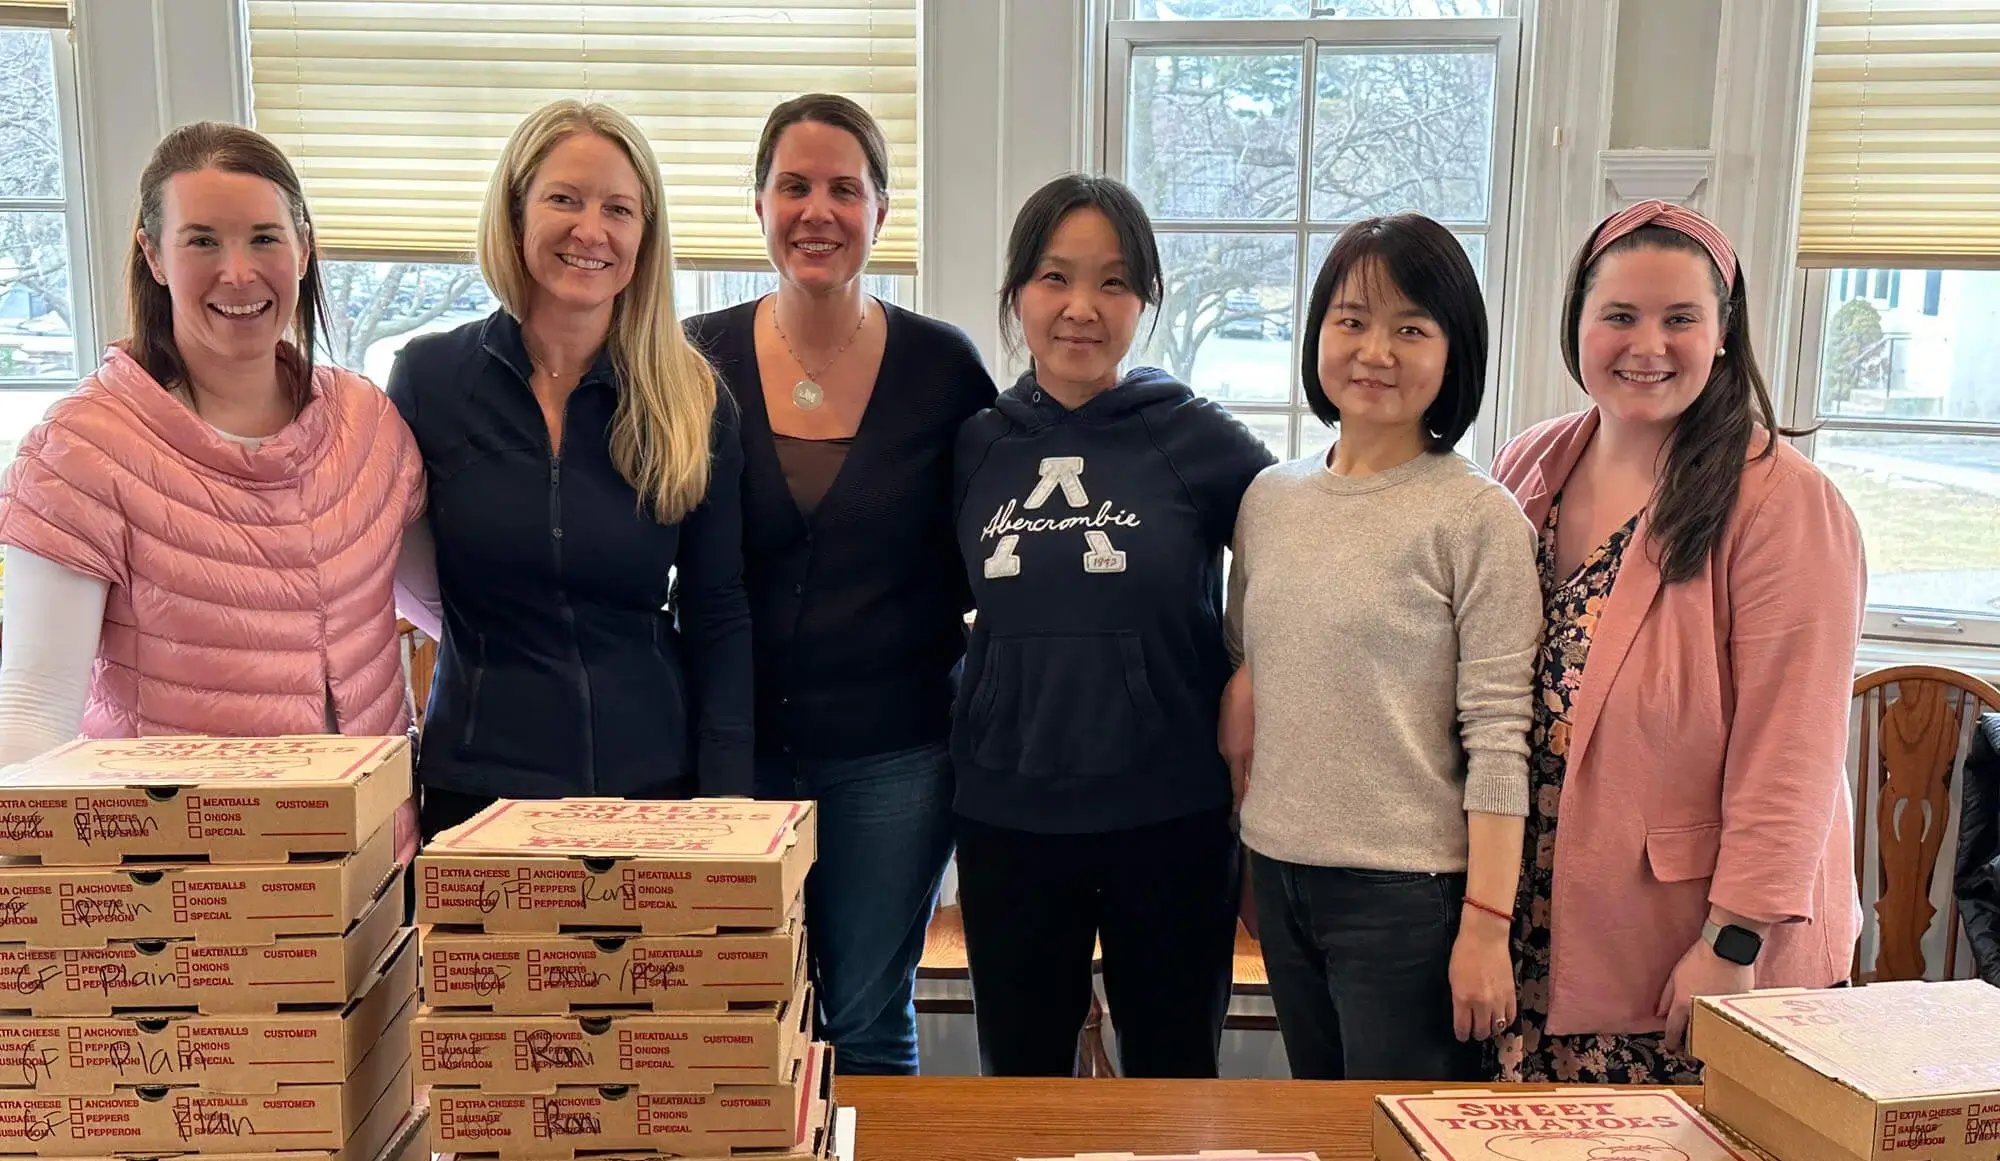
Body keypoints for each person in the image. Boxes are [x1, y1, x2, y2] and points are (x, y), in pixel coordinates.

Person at [1490, 199, 1865, 1084]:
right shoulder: (1528, 465)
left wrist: (1730, 944)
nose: (1645, 344)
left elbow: (1794, 753)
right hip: (1539, 930)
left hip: (1690, 954)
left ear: (1725, 333)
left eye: (1680, 318)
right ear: (1575, 325)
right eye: (1618, 315)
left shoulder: (1782, 502)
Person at [0, 122, 424, 860]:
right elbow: (34, 713)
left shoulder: (368, 424)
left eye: (263, 237)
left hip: (376, 874)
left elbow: (438, 603)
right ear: (152, 256)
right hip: (192, 899)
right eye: (201, 240)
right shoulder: (81, 449)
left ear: (304, 246)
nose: (237, 272)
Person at [685, 94, 994, 1076]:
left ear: (881, 213)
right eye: (793, 186)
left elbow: (997, 538)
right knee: (735, 1021)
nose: (816, 210)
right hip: (731, 749)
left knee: (864, 1016)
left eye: (842, 189)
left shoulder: (942, 368)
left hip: (895, 758)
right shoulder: (693, 357)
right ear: (758, 205)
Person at [951, 174, 1275, 1078]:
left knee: (1173, 1079)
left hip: (1167, 816)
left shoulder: (1200, 441)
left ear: (1146, 301)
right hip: (1005, 816)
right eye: (1055, 278)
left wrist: (1251, 668)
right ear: (1018, 293)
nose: (1081, 308)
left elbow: (1301, 554)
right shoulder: (976, 444)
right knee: (1021, 1080)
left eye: (1114, 282)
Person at [1221, 214, 1538, 1082]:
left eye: (1411, 328)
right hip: (1280, 873)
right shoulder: (1268, 499)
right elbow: (1255, 674)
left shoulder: (1478, 517)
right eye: (1352, 319)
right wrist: (1250, 847)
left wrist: (1485, 923)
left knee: (1396, 1135)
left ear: (1454, 349)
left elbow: (1501, 738)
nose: (1375, 350)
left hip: (1409, 895)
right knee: (1320, 1125)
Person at [390, 100, 751, 837]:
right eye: (564, 198)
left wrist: (728, 799)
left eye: (619, 208)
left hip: (654, 787)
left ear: (645, 236)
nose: (592, 230)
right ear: (516, 210)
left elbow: (718, 611)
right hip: (476, 791)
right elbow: (392, 568)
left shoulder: (692, 398)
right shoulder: (428, 380)